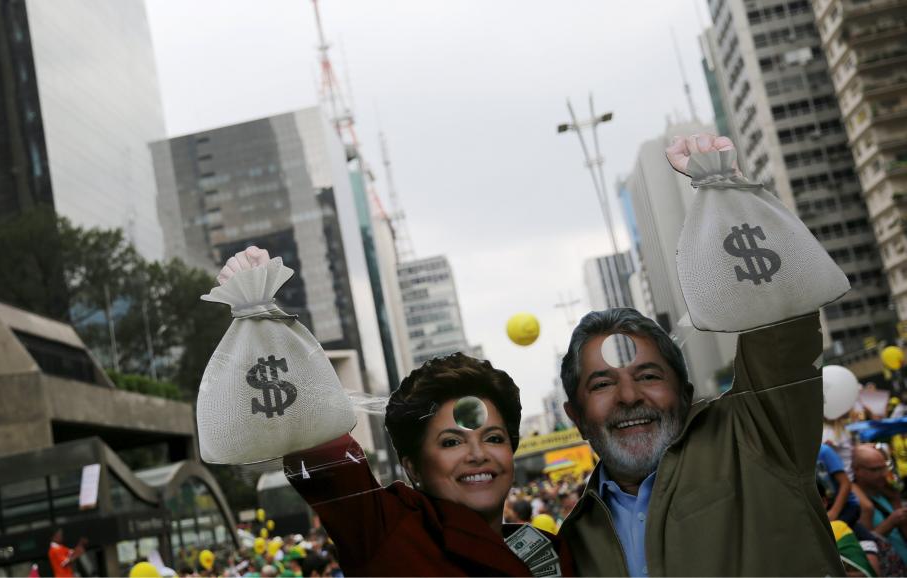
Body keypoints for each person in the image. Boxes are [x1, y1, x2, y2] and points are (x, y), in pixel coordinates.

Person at [557, 130, 844, 577]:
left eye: (649, 375)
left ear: (686, 390)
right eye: (602, 383)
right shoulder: (573, 542)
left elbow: (782, 326)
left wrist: (726, 189)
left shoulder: (757, 438)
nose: (629, 395)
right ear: (575, 414)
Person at [218, 247, 574, 576]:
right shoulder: (389, 531)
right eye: (452, 442)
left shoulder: (555, 554)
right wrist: (259, 310)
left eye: (493, 438)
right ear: (413, 467)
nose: (478, 454)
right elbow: (315, 436)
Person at [853, 444, 907, 564]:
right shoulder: (856, 502)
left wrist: (896, 501)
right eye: (874, 470)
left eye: (883, 468)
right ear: (857, 470)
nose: (882, 474)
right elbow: (866, 546)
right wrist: (891, 522)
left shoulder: (885, 492)